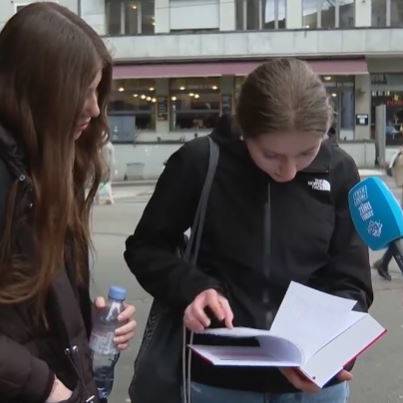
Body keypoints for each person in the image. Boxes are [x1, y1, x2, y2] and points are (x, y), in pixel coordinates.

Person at [125, 59, 373, 403]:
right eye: (271, 154)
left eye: (305, 153)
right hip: (216, 381)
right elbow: (146, 247)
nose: (287, 170)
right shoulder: (200, 161)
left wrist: (331, 350)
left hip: (314, 383)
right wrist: (194, 289)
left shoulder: (340, 169)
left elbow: (352, 279)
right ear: (245, 131)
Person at [0, 3, 136, 403]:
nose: (95, 110)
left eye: (98, 90)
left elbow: (32, 302)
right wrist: (43, 386)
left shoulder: (51, 165)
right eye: (83, 91)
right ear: (38, 90)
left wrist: (83, 325)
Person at [96, 140, 115, 205]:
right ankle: (109, 198)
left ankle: (99, 198)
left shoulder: (99, 144)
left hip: (102, 167)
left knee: (99, 183)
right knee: (106, 183)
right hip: (106, 167)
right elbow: (112, 159)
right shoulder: (109, 145)